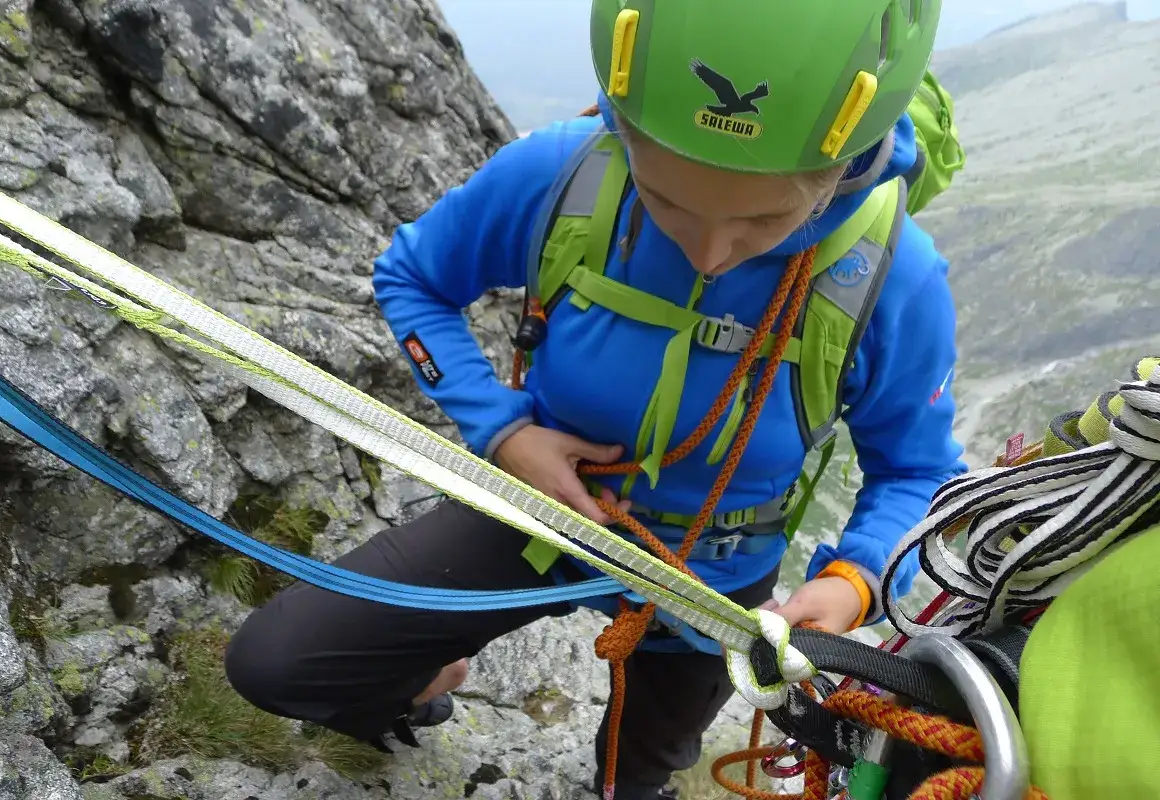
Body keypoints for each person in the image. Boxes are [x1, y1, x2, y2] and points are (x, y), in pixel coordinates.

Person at [223, 1, 966, 797]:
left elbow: (916, 471)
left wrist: (853, 580)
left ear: (843, 172)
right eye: (666, 198)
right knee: (275, 665)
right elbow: (412, 278)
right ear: (622, 133)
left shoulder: (890, 277)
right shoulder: (565, 174)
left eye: (765, 219)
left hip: (707, 577)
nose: (711, 251)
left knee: (634, 776)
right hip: (539, 510)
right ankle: (418, 692)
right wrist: (503, 431)